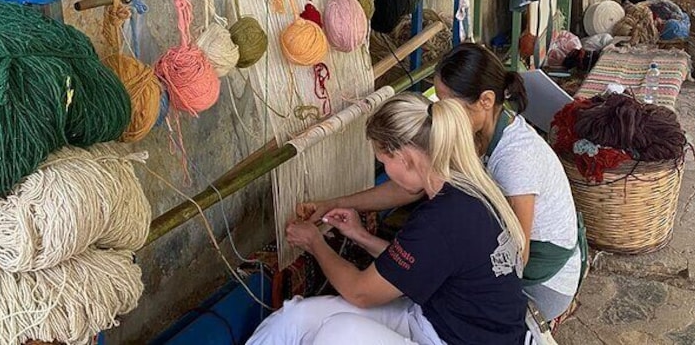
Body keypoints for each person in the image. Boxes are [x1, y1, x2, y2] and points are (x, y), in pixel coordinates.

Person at [301, 43, 582, 321]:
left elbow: (516, 258)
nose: (439, 112)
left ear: (485, 101)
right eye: (438, 100)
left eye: (448, 103)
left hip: (541, 284)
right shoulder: (468, 135)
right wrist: (335, 203)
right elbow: (410, 186)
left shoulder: (515, 159)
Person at [246, 93, 527, 345]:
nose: (387, 171)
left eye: (384, 162)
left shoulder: (442, 220)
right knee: (295, 318)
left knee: (337, 335)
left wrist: (315, 242)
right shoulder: (466, 189)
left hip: (451, 337)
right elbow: (423, 264)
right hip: (435, 319)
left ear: (405, 158)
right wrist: (359, 234)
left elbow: (360, 293)